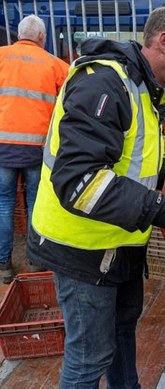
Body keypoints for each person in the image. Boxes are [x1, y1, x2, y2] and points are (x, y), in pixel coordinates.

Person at [27, 6, 165, 389]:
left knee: (124, 331)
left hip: (119, 245)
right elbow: (80, 181)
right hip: (83, 250)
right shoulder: (103, 84)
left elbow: (142, 167)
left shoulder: (143, 88)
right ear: (163, 42)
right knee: (88, 359)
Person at [0, 15, 69, 284]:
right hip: (36, 150)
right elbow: (71, 98)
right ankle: (35, 260)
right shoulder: (54, 64)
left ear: (19, 35)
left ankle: (4, 265)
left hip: (2, 148)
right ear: (41, 37)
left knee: (4, 205)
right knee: (35, 204)